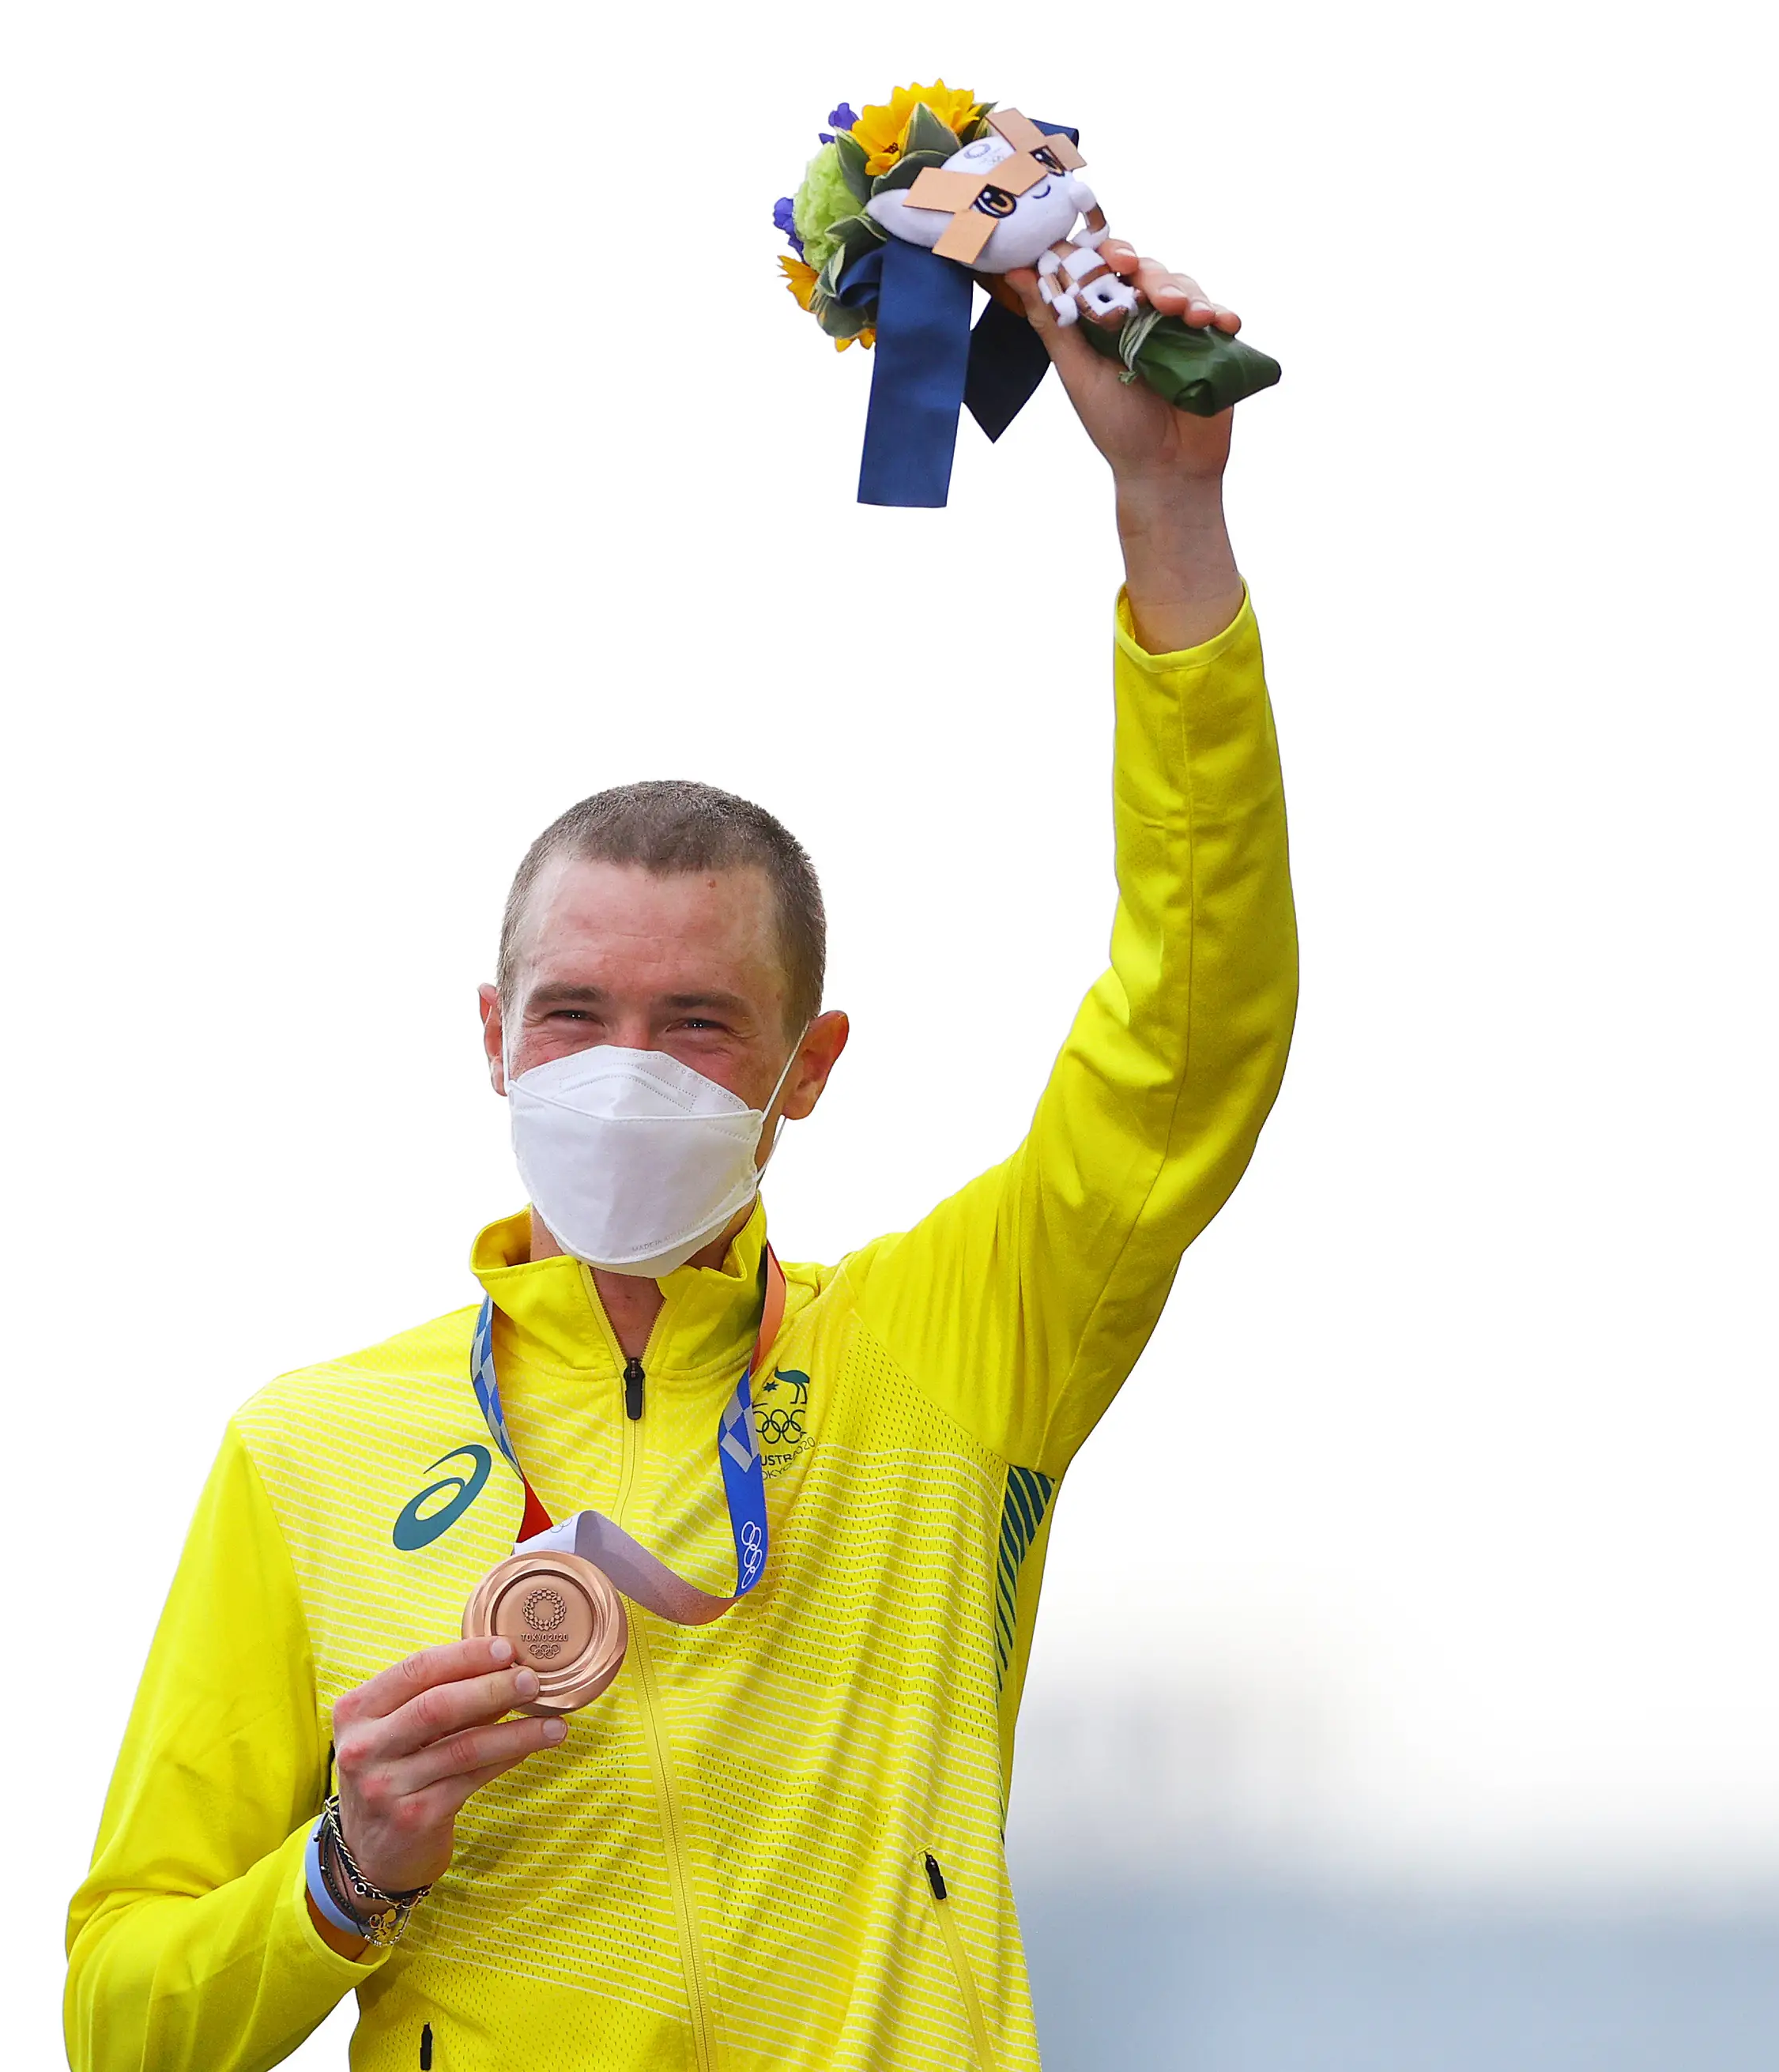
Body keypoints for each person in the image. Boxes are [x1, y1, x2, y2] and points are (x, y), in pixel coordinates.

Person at [66, 243, 1300, 2070]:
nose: (624, 1070)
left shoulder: (961, 1345)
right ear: (493, 1037)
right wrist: (345, 1871)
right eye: (574, 1015)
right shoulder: (305, 1452)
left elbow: (1190, 1035)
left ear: (809, 1068)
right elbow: (125, 2025)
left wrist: (1169, 519)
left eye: (697, 1024)